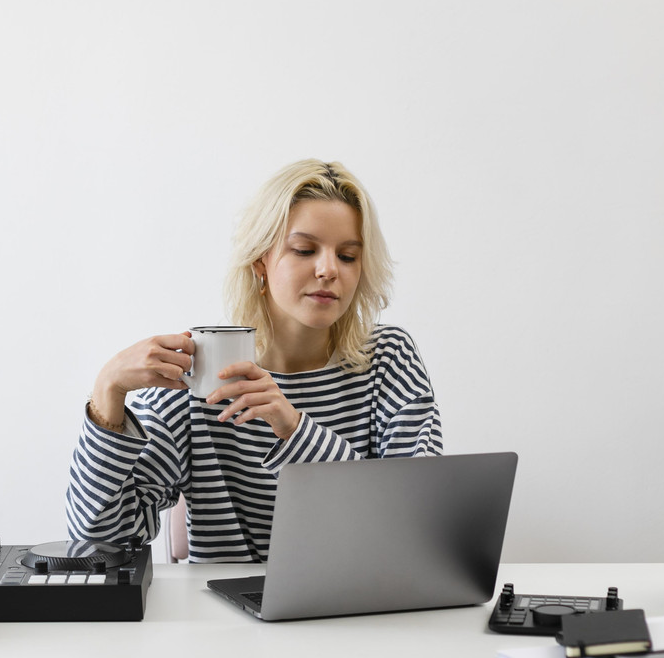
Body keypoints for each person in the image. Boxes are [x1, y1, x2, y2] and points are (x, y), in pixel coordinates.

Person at [66, 159, 443, 562]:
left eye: (348, 256)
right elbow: (99, 542)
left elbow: (418, 523)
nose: (329, 270)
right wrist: (108, 392)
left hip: (365, 611)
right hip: (227, 621)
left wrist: (294, 428)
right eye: (304, 250)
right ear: (260, 260)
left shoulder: (388, 358)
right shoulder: (203, 375)